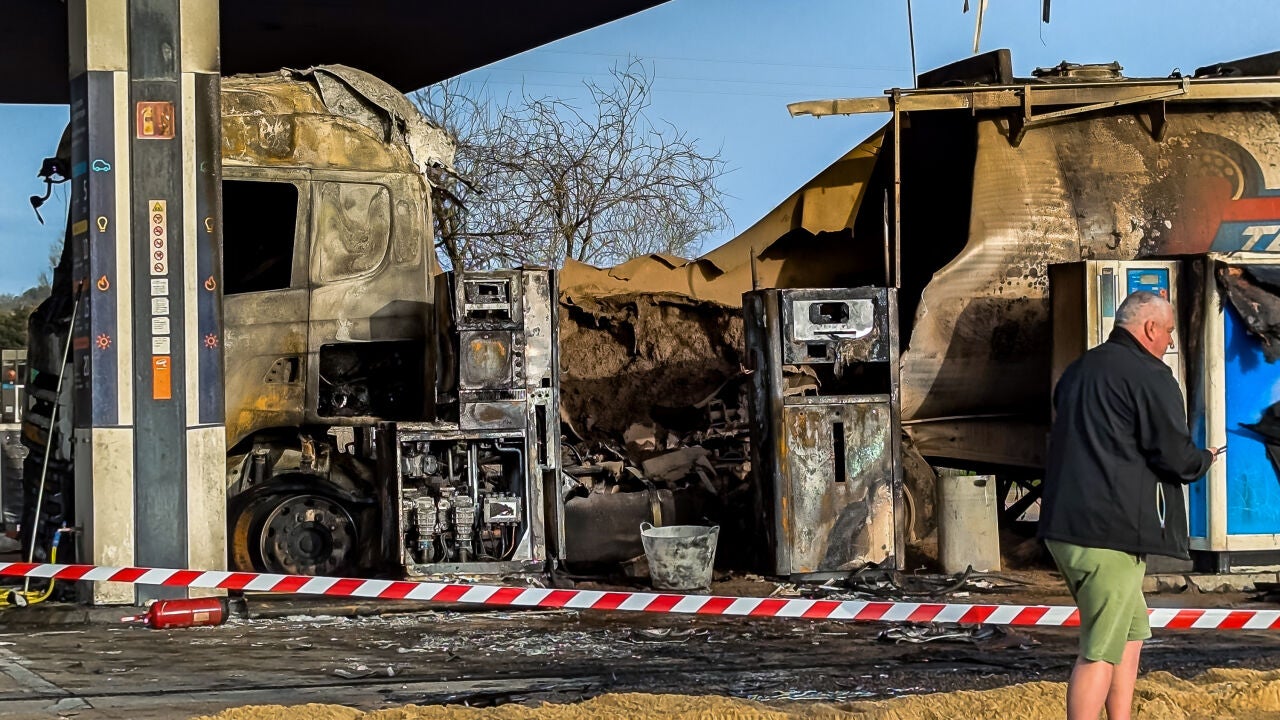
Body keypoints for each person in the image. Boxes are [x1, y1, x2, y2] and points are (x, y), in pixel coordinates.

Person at [1039, 290, 1221, 720]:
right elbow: (1174, 456)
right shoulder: (1151, 375)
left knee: (1131, 633)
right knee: (1100, 650)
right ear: (1151, 328)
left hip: (1064, 526)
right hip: (1108, 534)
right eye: (1170, 332)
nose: (1171, 342)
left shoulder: (1079, 370)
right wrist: (1206, 459)